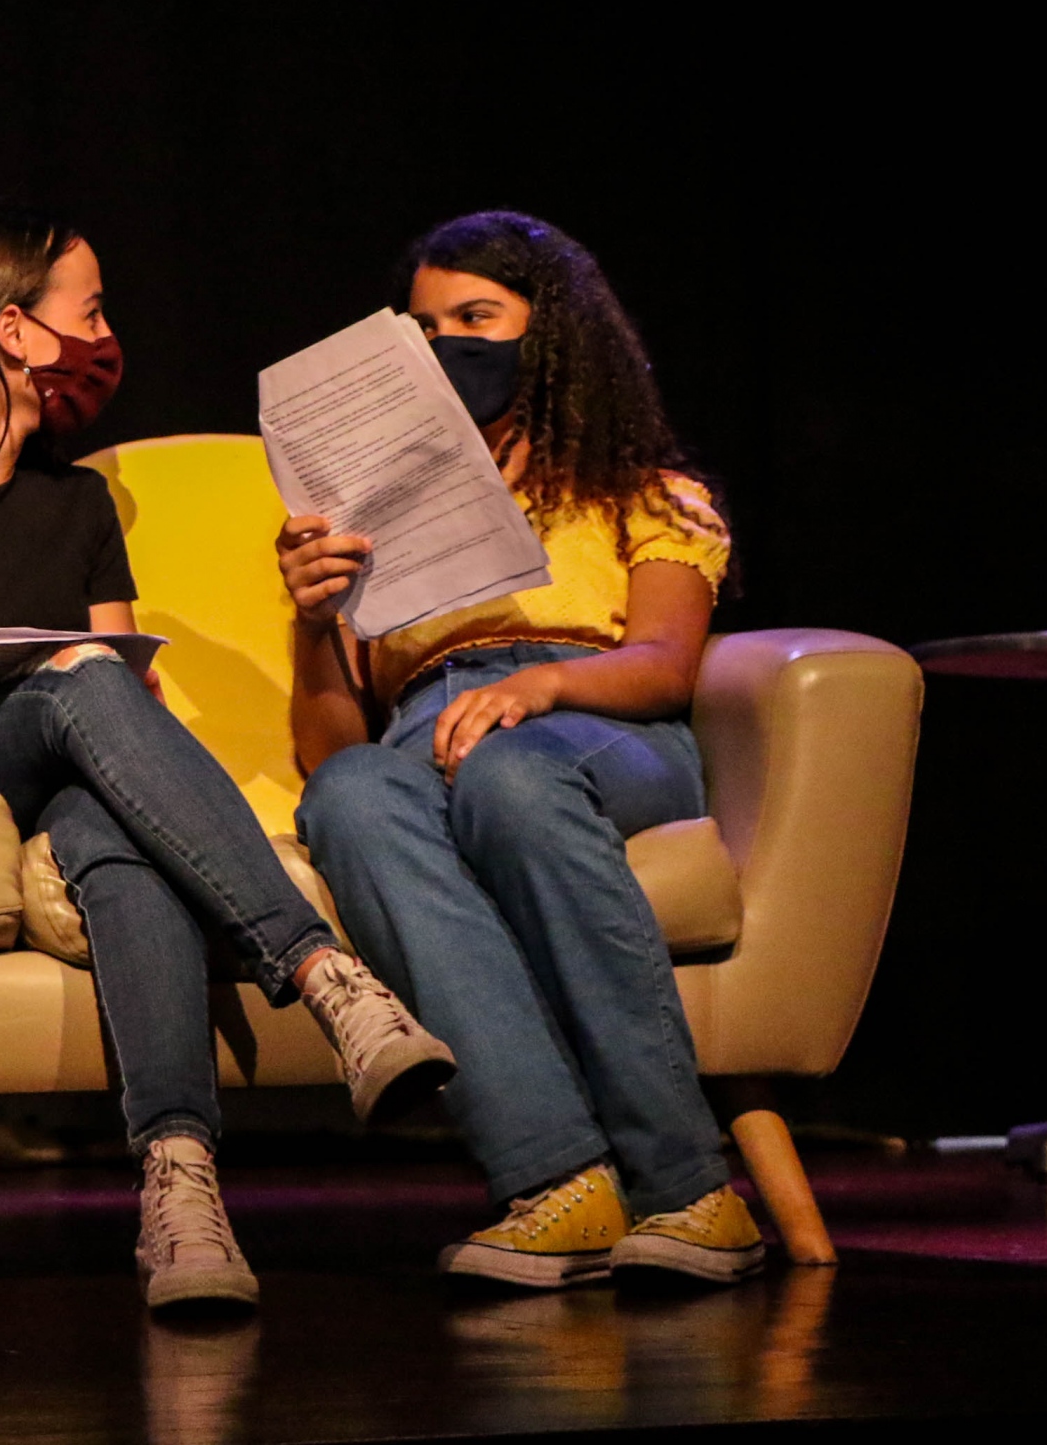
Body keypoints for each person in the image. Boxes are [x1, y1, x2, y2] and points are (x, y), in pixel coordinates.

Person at [0, 199, 455, 1312]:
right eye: (87, 312)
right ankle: (325, 976)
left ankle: (181, 1193)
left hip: (60, 776)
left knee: (115, 840)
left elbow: (121, 685)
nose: (105, 336)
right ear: (13, 329)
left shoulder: (76, 502)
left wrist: (127, 700)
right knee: (81, 675)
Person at [279, 209, 757, 1289]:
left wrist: (540, 686)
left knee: (512, 777)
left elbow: (663, 664)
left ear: (553, 333)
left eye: (476, 318)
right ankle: (559, 1182)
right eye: (423, 327)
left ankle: (690, 1188)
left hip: (596, 723)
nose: (446, 343)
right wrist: (312, 619)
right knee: (351, 795)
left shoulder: (638, 488)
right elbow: (331, 746)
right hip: (424, 731)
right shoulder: (372, 520)